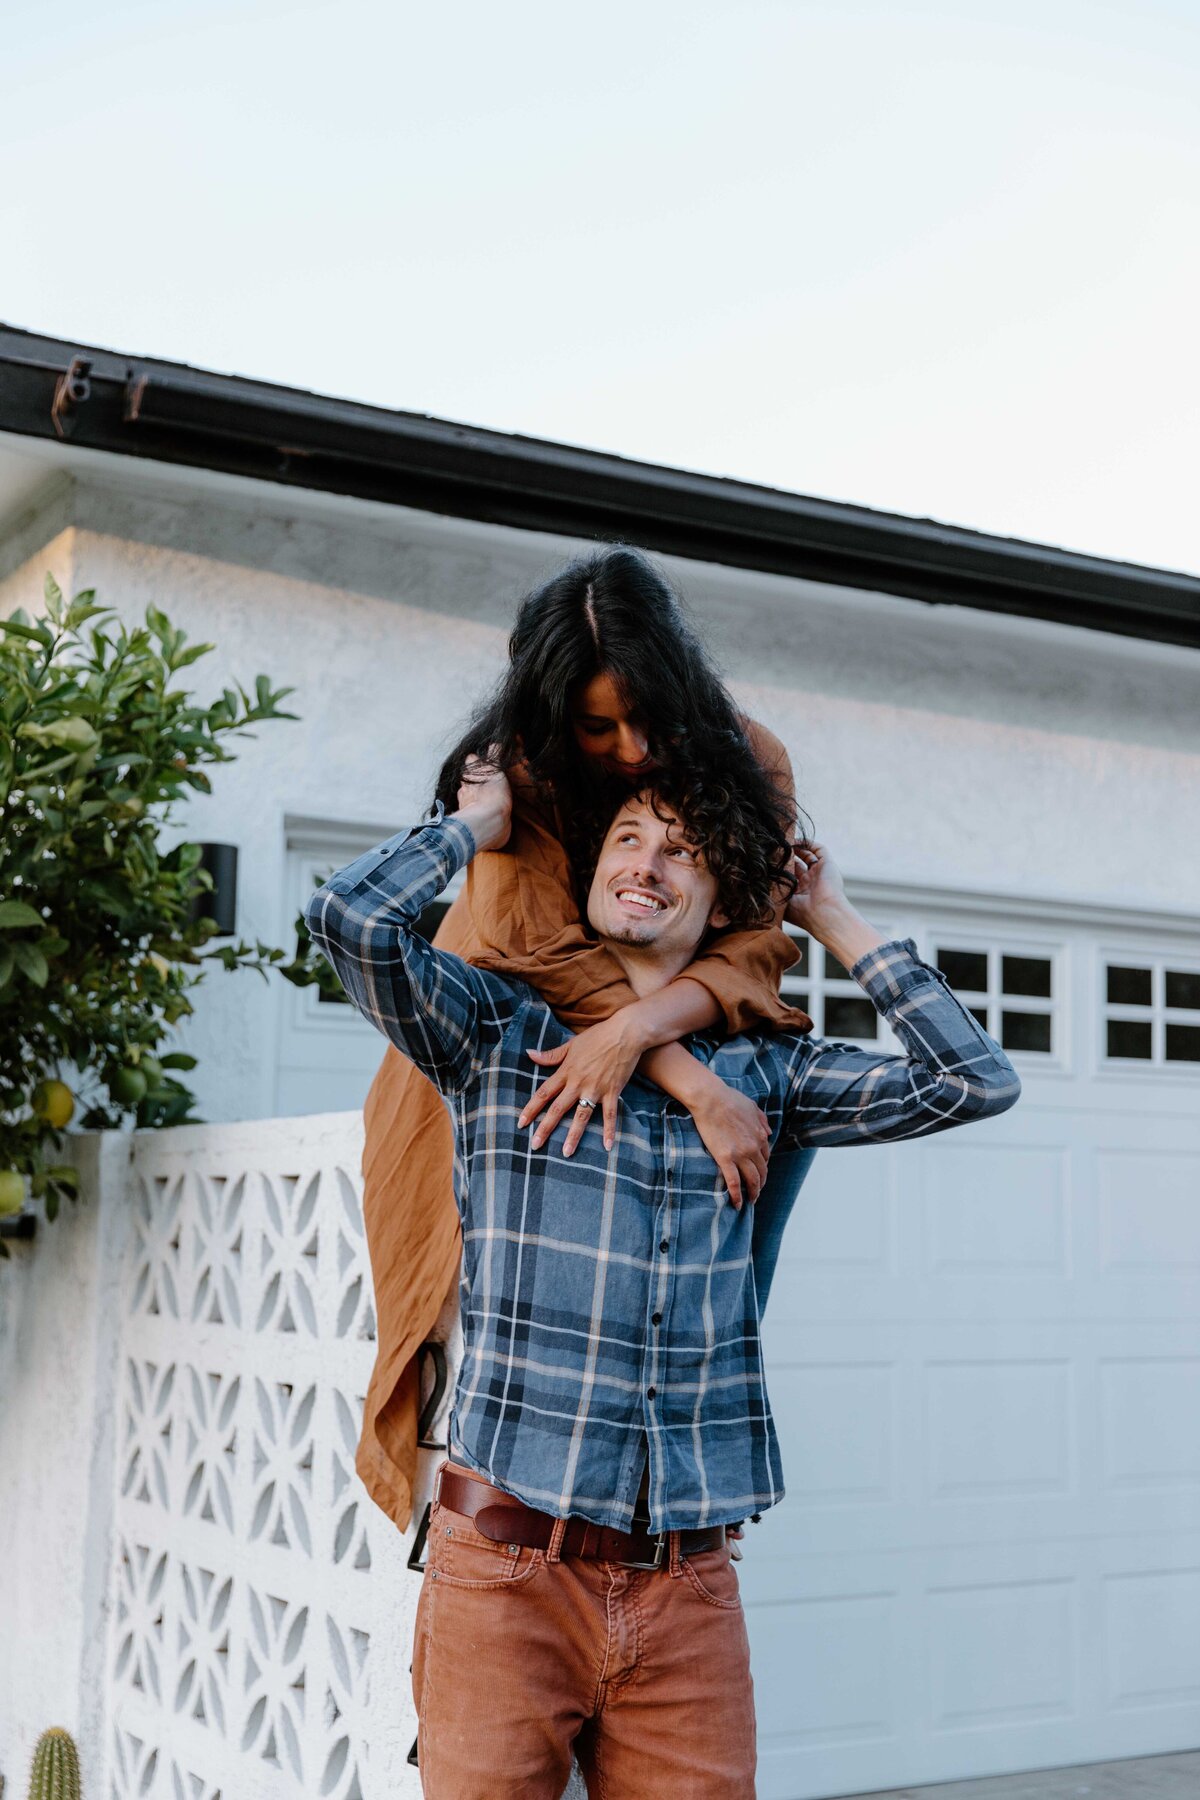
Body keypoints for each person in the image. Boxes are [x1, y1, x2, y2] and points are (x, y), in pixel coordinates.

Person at [305, 765, 1021, 1799]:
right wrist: (476, 827)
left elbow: (972, 1081)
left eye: (681, 851)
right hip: (506, 1571)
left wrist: (833, 916)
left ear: (719, 901)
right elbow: (349, 920)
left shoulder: (767, 1077)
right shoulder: (497, 1033)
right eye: (629, 840)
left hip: (687, 1588)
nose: (648, 863)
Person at [355, 546, 817, 1539]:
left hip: (671, 1043)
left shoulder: (752, 756)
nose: (630, 746)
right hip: (495, 1055)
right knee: (492, 1335)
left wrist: (648, 1035)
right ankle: (477, 1559)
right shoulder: (517, 765)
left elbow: (756, 946)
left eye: (648, 717)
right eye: (599, 726)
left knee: (687, 1304)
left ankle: (676, 1528)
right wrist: (687, 1077)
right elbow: (536, 952)